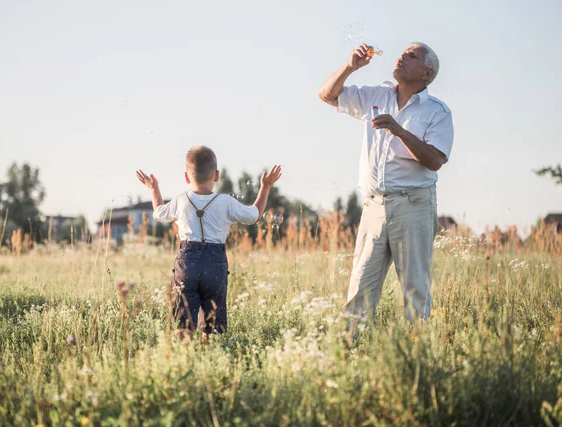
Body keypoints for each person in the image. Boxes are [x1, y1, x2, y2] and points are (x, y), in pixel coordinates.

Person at [318, 42, 454, 323]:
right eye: (403, 53)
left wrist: (398, 130)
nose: (401, 56)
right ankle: (350, 354)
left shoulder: (438, 112)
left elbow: (435, 160)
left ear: (426, 73)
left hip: (414, 204)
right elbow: (327, 96)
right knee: (359, 288)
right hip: (374, 206)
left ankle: (417, 356)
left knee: (415, 289)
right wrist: (349, 67)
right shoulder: (376, 95)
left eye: (411, 55)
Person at [136, 146, 282, 340]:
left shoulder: (181, 201)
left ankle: (185, 357)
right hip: (215, 264)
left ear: (186, 177)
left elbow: (159, 213)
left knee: (184, 321)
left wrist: (154, 188)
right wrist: (266, 187)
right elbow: (254, 215)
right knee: (213, 324)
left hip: (187, 263)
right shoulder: (226, 202)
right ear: (217, 175)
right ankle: (209, 355)